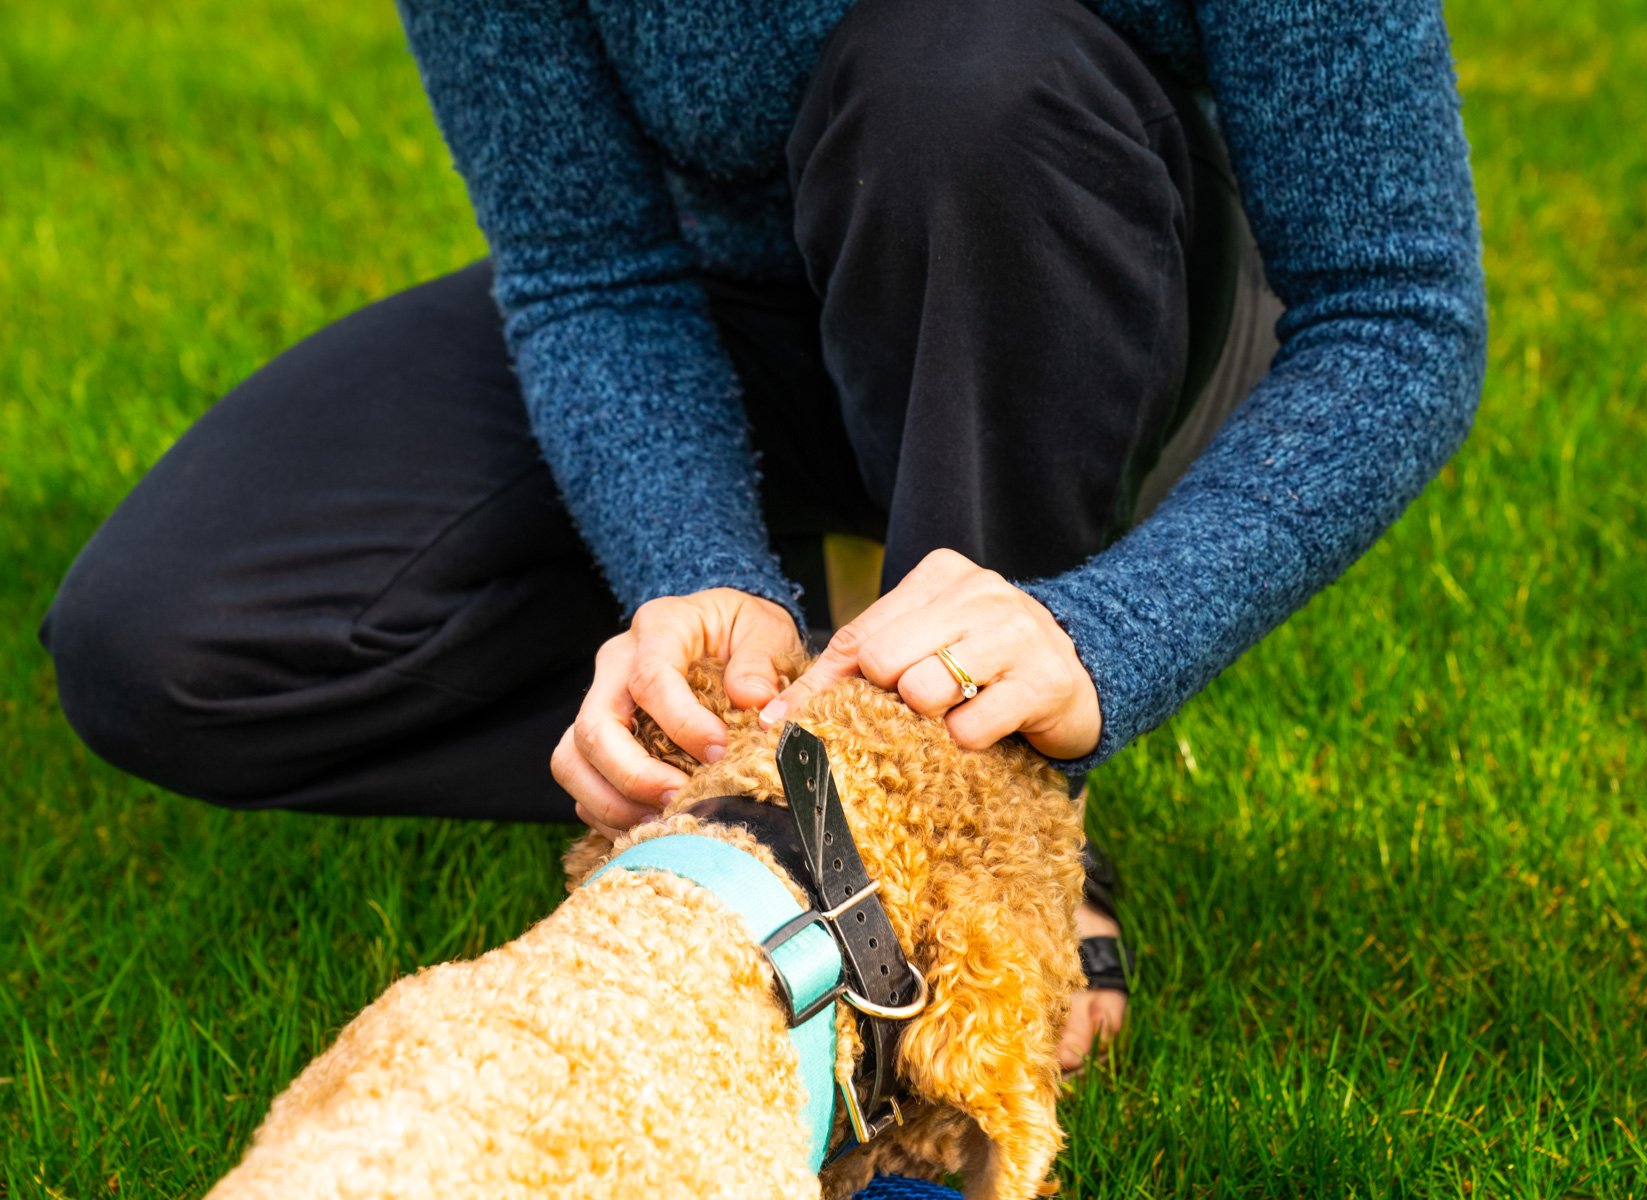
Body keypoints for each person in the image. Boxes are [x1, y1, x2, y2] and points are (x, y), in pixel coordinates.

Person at [38, 0, 1486, 1074]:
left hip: (1077, 279)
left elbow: (1399, 309)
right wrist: (692, 577)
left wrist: (1108, 629)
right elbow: (590, 268)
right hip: (729, 307)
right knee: (170, 643)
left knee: (963, 78)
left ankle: (1002, 816)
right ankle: (790, 745)